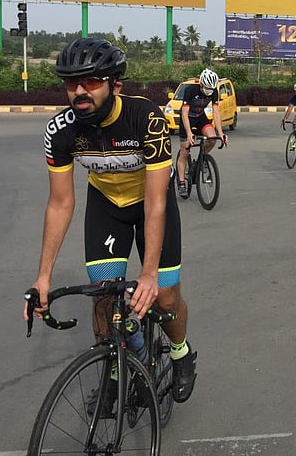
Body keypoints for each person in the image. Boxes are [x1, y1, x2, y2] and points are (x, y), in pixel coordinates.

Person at [25, 37, 197, 403]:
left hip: (152, 202)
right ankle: (120, 363)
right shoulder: (61, 130)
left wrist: (148, 273)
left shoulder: (145, 117)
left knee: (164, 300)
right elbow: (59, 203)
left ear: (115, 84)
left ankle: (181, 352)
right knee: (104, 299)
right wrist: (43, 276)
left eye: (90, 82)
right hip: (107, 204)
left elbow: (155, 202)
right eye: (71, 83)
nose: (79, 91)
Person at [176, 68, 228, 196]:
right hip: (187, 119)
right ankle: (181, 182)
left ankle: (202, 159)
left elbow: (216, 113)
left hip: (200, 118)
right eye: (207, 89)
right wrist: (189, 133)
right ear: (201, 84)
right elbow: (184, 113)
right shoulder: (190, 90)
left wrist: (220, 133)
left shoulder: (213, 92)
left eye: (211, 89)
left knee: (212, 138)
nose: (209, 92)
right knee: (184, 151)